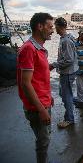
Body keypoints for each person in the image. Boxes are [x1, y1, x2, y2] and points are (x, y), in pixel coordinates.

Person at [17, 12, 54, 163]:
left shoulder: (40, 49)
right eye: (50, 27)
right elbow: (25, 83)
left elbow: (39, 78)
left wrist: (49, 95)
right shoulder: (29, 49)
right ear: (40, 26)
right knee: (43, 142)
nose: (52, 30)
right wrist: (41, 109)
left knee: (45, 139)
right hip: (37, 107)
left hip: (44, 102)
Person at [50, 17, 78, 128]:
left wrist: (53, 65)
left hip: (67, 73)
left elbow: (69, 60)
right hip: (69, 72)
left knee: (66, 96)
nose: (54, 29)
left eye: (55, 26)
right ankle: (79, 102)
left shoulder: (66, 40)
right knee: (64, 94)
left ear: (59, 26)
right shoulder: (67, 38)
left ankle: (69, 119)